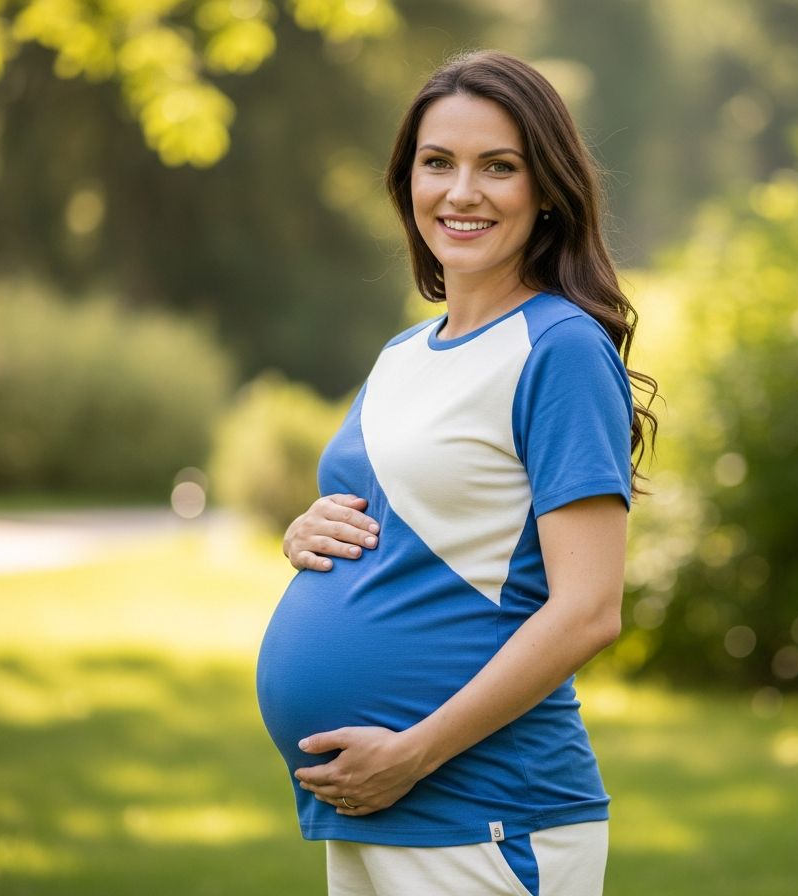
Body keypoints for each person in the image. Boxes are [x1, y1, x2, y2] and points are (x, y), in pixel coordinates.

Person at [256, 49, 658, 896]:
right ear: (408, 181)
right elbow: (418, 518)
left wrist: (411, 755)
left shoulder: (560, 350)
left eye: (498, 167)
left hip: (484, 811)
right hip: (372, 805)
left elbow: (588, 610)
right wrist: (305, 531)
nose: (461, 192)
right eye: (437, 163)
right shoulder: (405, 351)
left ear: (546, 189)